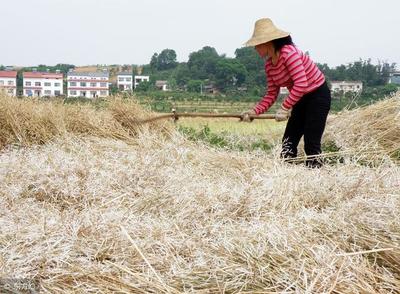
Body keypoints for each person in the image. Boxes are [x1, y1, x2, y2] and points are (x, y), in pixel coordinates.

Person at [242, 18, 331, 168]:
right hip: (300, 99)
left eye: (256, 45)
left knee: (311, 143)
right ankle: (289, 176)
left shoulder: (289, 54)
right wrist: (254, 112)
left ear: (267, 43)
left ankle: (316, 176)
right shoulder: (269, 65)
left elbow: (301, 84)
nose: (255, 48)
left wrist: (284, 108)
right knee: (288, 144)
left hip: (317, 96)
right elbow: (271, 94)